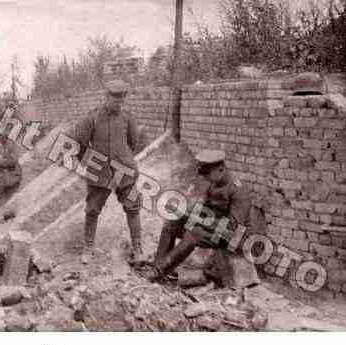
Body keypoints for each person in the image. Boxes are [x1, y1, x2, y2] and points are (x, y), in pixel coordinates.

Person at [145, 150, 253, 283]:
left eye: (208, 173)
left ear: (220, 169)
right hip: (214, 228)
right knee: (171, 223)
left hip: (233, 237)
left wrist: (201, 220)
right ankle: (160, 264)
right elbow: (206, 209)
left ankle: (158, 272)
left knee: (194, 234)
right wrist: (185, 212)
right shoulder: (215, 183)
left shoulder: (238, 190)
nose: (205, 178)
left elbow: (233, 227)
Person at [71, 79, 142, 263]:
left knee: (132, 207)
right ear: (106, 97)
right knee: (92, 209)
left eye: (121, 100)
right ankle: (88, 248)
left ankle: (138, 248)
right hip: (99, 171)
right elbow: (80, 142)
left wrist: (124, 159)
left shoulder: (128, 117)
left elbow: (134, 142)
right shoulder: (92, 117)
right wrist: (90, 164)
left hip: (124, 170)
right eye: (114, 99)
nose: (118, 103)